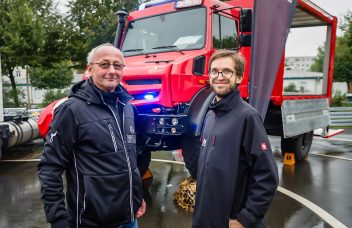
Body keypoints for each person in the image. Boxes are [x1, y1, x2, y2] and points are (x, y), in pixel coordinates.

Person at [38, 43, 146, 228]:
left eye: (117, 65)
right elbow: (50, 168)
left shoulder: (128, 107)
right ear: (90, 69)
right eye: (104, 64)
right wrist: (57, 219)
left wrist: (136, 195)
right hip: (91, 221)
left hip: (129, 218)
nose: (112, 71)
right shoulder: (71, 111)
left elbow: (132, 158)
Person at [192, 50, 279, 228]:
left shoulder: (247, 117)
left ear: (239, 77)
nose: (219, 76)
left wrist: (245, 219)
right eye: (214, 71)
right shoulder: (209, 116)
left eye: (227, 71)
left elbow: (267, 177)